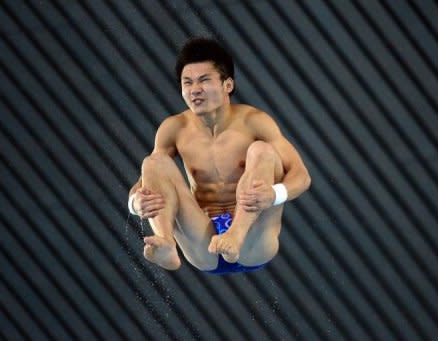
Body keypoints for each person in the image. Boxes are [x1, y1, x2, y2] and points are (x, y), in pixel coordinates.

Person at [128, 37, 311, 274]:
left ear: (228, 85)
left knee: (262, 150)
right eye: (187, 82)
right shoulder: (174, 129)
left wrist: (274, 195)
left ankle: (236, 233)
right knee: (153, 162)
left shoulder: (254, 121)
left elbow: (302, 176)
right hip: (204, 244)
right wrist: (135, 203)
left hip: (252, 241)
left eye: (204, 80)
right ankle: (165, 243)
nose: (195, 90)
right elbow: (144, 183)